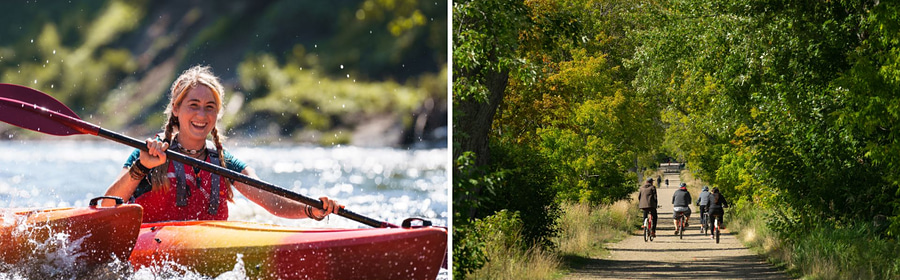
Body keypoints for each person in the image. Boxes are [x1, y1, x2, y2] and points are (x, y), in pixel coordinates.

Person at [103, 65, 343, 223]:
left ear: (217, 113)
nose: (201, 115)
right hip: (150, 248)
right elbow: (107, 205)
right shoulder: (151, 151)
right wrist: (141, 167)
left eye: (210, 107)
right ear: (176, 109)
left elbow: (272, 200)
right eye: (193, 105)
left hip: (205, 252)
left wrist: (311, 209)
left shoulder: (225, 162)